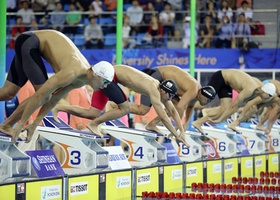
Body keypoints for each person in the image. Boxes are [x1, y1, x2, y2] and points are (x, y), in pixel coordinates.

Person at [0, 30, 115, 142]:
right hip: (30, 42)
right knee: (44, 94)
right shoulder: (73, 72)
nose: (105, 87)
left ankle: (6, 125)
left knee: (8, 92)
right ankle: (7, 125)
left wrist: (35, 123)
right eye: (105, 82)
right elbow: (40, 95)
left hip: (28, 43)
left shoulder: (81, 80)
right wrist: (21, 124)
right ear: (95, 74)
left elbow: (54, 99)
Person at [53, 65, 188, 145]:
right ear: (164, 91)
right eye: (169, 96)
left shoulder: (161, 89)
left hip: (109, 77)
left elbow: (173, 110)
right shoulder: (154, 89)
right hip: (109, 77)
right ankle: (94, 124)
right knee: (126, 108)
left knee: (92, 113)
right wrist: (177, 136)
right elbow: (164, 117)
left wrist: (181, 130)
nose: (169, 100)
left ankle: (59, 108)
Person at [192, 69, 276, 134]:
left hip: (227, 85)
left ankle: (198, 123)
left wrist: (224, 119)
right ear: (265, 91)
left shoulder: (257, 92)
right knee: (202, 105)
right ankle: (186, 104)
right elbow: (234, 105)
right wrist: (221, 119)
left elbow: (237, 106)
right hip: (220, 77)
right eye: (269, 96)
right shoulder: (250, 90)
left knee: (224, 109)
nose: (269, 98)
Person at [141, 66, 216, 131]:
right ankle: (130, 108)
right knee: (142, 110)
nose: (207, 102)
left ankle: (152, 124)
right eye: (208, 100)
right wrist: (178, 126)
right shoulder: (194, 89)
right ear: (204, 95)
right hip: (158, 75)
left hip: (167, 84)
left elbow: (190, 107)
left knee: (174, 106)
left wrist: (186, 124)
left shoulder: (197, 93)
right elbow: (181, 107)